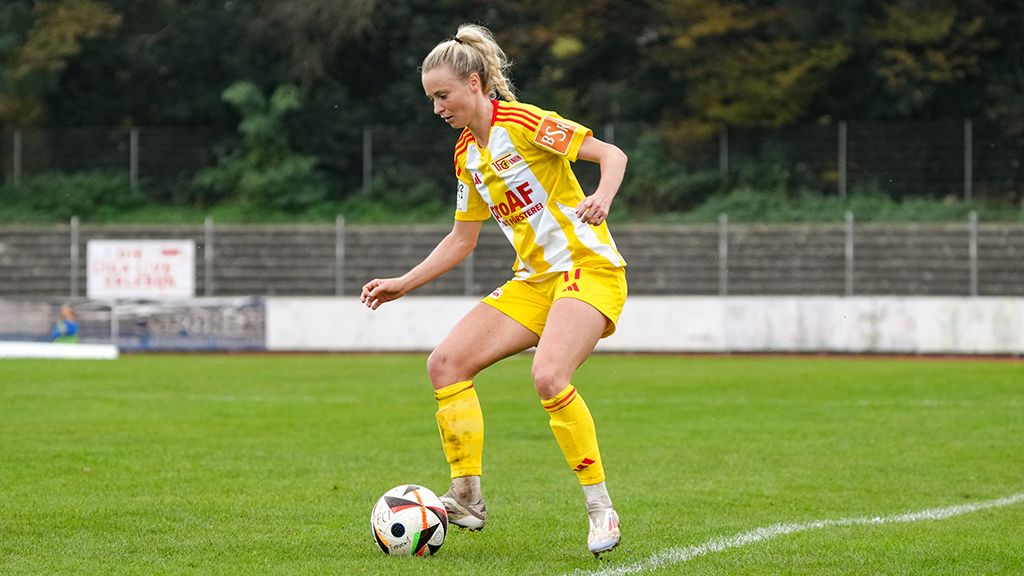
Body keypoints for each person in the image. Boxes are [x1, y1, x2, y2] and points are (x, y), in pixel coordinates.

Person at [360, 23, 628, 557]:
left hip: (587, 268)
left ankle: (601, 509)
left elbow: (612, 154)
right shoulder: (467, 155)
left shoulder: (526, 123)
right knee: (445, 364)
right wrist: (402, 284)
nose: (437, 108)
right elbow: (462, 239)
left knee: (549, 376)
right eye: (431, 99)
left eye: (443, 96)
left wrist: (601, 196)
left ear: (476, 84)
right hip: (534, 281)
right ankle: (466, 498)